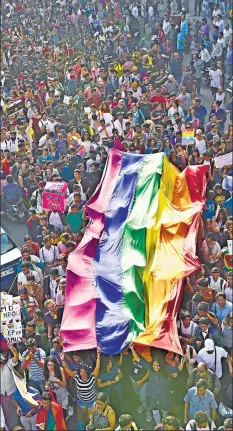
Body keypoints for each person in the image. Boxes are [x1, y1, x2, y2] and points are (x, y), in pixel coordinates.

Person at [60, 347, 101, 427]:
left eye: (84, 372)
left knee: (90, 416)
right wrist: (62, 360)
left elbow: (97, 367)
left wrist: (98, 355)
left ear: (87, 372)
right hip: (81, 401)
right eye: (81, 371)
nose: (82, 373)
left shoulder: (92, 377)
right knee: (83, 414)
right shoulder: (77, 377)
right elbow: (67, 370)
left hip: (91, 401)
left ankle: (90, 426)